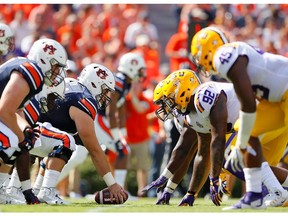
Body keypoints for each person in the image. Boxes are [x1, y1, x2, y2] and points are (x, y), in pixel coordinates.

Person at [143, 69, 288, 207]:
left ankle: (277, 191)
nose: (168, 108)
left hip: (270, 114)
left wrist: (214, 179)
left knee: (233, 158)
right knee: (250, 170)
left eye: (168, 101)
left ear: (182, 91)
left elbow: (218, 139)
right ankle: (278, 190)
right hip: (266, 123)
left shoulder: (204, 96)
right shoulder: (192, 114)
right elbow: (197, 153)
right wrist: (190, 193)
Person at [190, 26, 288, 209]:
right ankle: (254, 196)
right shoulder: (231, 56)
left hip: (284, 93)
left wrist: (241, 143)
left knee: (242, 138)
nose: (199, 61)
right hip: (276, 100)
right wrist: (242, 142)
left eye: (198, 54)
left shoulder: (223, 56)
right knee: (242, 131)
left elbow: (248, 104)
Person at [35, 63, 128, 204]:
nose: (105, 97)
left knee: (61, 143)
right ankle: (46, 191)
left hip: (28, 127)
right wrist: (112, 184)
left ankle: (35, 191)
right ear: (95, 84)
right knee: (67, 142)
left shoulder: (71, 84)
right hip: (30, 131)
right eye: (104, 90)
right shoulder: (85, 99)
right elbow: (95, 150)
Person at [0, 38, 67, 204]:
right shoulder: (33, 71)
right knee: (13, 141)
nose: (57, 72)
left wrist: (25, 129)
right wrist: (21, 138)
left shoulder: (27, 67)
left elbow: (17, 109)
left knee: (21, 140)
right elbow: (4, 109)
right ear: (43, 59)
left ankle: (9, 191)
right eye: (56, 66)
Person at [94, 52, 146, 189]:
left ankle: (45, 186)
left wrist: (123, 133)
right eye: (140, 70)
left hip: (100, 119)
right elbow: (110, 113)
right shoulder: (118, 81)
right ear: (131, 67)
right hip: (97, 118)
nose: (142, 74)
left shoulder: (125, 83)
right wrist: (118, 138)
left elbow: (121, 111)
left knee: (77, 156)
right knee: (123, 149)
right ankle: (119, 190)